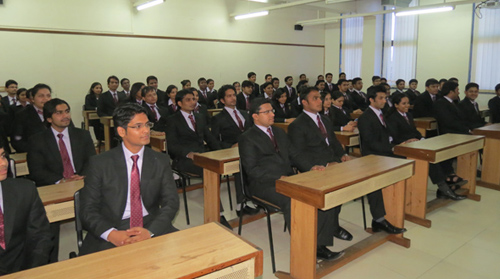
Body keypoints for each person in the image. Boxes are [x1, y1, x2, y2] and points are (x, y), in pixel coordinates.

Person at [238, 98, 344, 261]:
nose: (272, 114)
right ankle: (304, 248)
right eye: (266, 112)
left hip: (288, 179)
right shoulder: (247, 138)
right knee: (293, 200)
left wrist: (311, 167)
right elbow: (252, 170)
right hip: (264, 184)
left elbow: (295, 154)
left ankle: (319, 245)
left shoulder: (279, 132)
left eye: (272, 111)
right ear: (255, 116)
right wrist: (279, 177)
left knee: (320, 193)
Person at [79, 103, 179, 255]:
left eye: (147, 124)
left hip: (150, 223)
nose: (146, 130)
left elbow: (171, 202)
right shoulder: (100, 163)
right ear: (121, 131)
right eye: (138, 126)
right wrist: (111, 234)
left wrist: (150, 231)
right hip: (113, 226)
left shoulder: (160, 160)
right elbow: (87, 209)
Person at [288, 87, 355, 242]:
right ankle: (321, 239)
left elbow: (333, 142)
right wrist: (317, 166)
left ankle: (333, 225)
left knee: (339, 193)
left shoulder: (325, 120)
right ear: (304, 102)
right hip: (315, 168)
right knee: (326, 198)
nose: (321, 101)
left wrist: (343, 155)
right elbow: (296, 154)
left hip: (334, 163)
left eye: (321, 98)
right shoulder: (297, 125)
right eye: (315, 98)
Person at [386, 94, 467, 200]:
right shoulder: (392, 118)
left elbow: (414, 131)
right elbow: (395, 136)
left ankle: (449, 176)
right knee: (428, 157)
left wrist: (422, 138)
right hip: (403, 146)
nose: (407, 106)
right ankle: (443, 188)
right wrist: (407, 141)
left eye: (408, 103)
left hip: (415, 143)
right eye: (404, 103)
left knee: (438, 152)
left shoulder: (408, 115)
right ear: (396, 105)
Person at [0, 141, 53, 275]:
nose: (3, 163)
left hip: (23, 270)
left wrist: (31, 273)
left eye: (2, 156)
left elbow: (41, 236)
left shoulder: (24, 190)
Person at [210, 85, 259, 217]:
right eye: (229, 96)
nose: (233, 98)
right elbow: (214, 141)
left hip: (250, 150)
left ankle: (256, 198)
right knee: (241, 166)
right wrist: (230, 146)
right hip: (232, 152)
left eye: (234, 95)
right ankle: (241, 204)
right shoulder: (218, 118)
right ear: (222, 100)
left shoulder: (245, 114)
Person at [27, 98, 95, 186]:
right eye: (59, 113)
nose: (65, 116)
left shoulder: (82, 135)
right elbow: (36, 171)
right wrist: (61, 181)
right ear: (49, 119)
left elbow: (92, 161)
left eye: (67, 111)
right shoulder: (37, 140)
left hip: (81, 180)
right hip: (54, 184)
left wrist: (81, 176)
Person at [165, 89, 221, 177]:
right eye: (188, 100)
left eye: (194, 99)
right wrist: (188, 154)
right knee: (209, 168)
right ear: (179, 103)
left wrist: (220, 151)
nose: (193, 102)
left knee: (218, 165)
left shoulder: (200, 117)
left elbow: (210, 138)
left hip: (202, 155)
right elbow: (172, 145)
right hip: (184, 158)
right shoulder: (173, 120)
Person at [11, 83, 52, 153]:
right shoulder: (22, 115)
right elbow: (17, 141)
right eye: (41, 96)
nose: (46, 99)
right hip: (34, 154)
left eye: (48, 96)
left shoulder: (57, 112)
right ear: (32, 99)